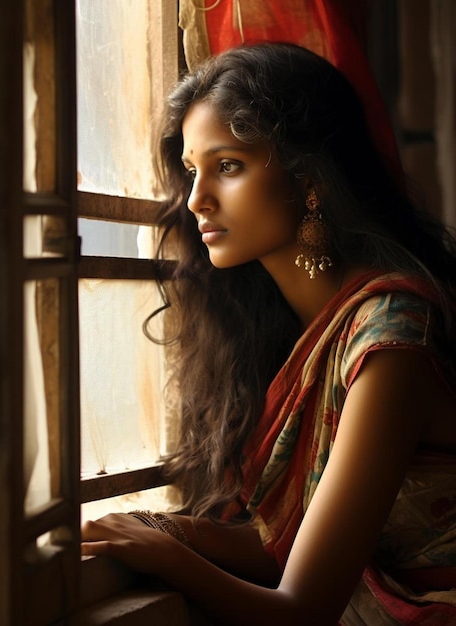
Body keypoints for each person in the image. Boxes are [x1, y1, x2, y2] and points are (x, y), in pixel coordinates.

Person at [81, 42, 456, 625]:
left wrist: (165, 552)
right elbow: (289, 540)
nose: (197, 199)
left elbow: (301, 610)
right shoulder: (306, 329)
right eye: (190, 171)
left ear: (308, 177)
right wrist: (168, 526)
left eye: (227, 166)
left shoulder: (391, 341)